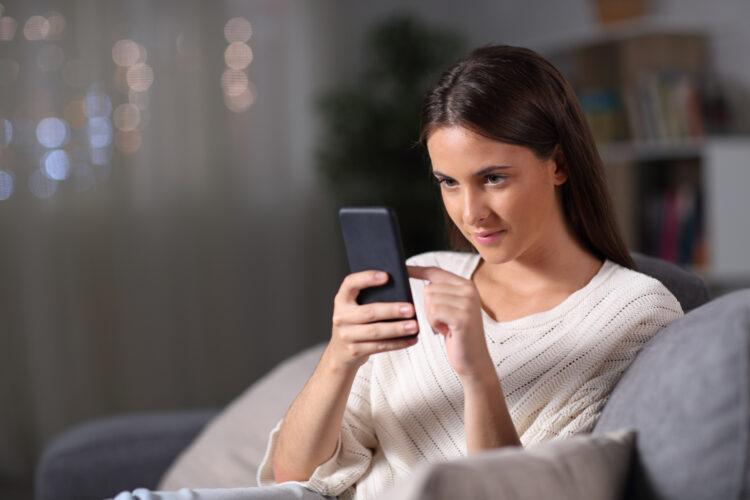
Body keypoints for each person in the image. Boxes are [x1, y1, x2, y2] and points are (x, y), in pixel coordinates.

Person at [112, 44, 684, 500]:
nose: (470, 213)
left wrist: (478, 371)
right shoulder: (427, 275)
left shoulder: (633, 309)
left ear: (557, 164)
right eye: (448, 183)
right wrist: (340, 357)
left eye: (493, 178)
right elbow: (291, 475)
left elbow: (516, 489)